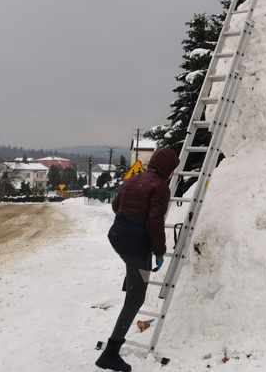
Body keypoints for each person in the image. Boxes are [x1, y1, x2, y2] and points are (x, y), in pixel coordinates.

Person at [95, 147, 179, 372]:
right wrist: (159, 252)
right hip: (135, 248)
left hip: (118, 239)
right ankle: (111, 352)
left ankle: (132, 281)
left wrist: (128, 222)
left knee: (134, 272)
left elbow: (116, 205)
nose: (172, 173)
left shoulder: (135, 179)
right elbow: (154, 222)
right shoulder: (160, 188)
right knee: (136, 299)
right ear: (168, 168)